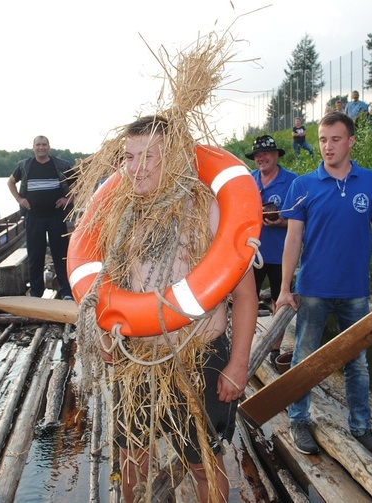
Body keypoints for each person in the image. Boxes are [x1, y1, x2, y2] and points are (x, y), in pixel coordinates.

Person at [81, 116, 256, 502]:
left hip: (198, 357)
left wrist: (239, 363)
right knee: (131, 461)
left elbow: (245, 295)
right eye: (128, 157)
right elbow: (100, 288)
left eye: (147, 157)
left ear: (173, 157)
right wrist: (104, 332)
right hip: (137, 359)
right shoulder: (117, 215)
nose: (134, 168)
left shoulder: (207, 209)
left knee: (203, 464)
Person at [276, 112, 372, 460]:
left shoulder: (371, 182)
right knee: (304, 358)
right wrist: (285, 288)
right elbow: (292, 239)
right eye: (323, 139)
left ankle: (361, 426)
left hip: (356, 292)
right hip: (312, 289)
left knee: (357, 363)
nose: (327, 147)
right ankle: (299, 418)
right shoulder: (303, 186)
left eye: (336, 139)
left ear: (351, 141)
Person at [246, 135, 298, 366]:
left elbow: (299, 218)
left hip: (281, 254)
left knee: (280, 299)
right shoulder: (248, 181)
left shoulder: (292, 182)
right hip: (252, 254)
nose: (261, 158)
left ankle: (274, 349)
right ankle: (245, 346)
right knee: (247, 300)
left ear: (276, 155)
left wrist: (282, 222)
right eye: (257, 155)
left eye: (266, 153)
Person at [7, 135, 75, 299]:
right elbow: (10, 182)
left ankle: (66, 291)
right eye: (38, 145)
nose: (41, 147)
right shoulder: (25, 165)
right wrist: (20, 199)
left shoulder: (60, 164)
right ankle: (36, 292)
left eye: (44, 145)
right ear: (33, 147)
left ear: (49, 147)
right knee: (35, 255)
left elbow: (78, 182)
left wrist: (68, 199)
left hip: (56, 216)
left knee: (60, 254)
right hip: (34, 217)